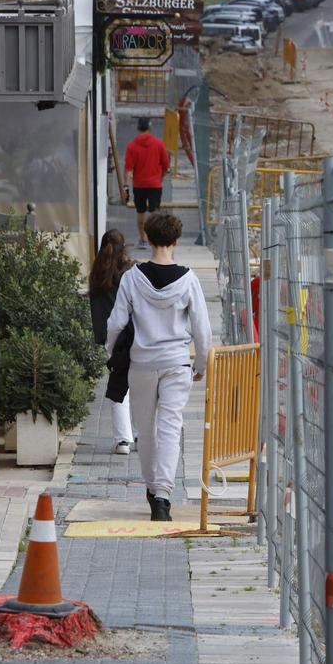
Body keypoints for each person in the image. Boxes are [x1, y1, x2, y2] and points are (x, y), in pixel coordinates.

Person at [106, 212, 212, 521]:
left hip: (141, 363)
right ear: (176, 240)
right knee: (170, 427)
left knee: (146, 430)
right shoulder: (189, 280)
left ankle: (153, 490)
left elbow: (115, 323)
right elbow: (202, 331)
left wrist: (112, 353)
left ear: (148, 239)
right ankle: (164, 495)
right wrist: (201, 363)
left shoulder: (132, 278)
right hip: (177, 363)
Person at [88, 230, 137, 455]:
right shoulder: (129, 271)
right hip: (135, 334)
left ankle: (123, 440)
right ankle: (143, 434)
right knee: (142, 386)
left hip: (112, 339)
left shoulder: (96, 273)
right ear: (123, 246)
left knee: (120, 387)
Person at [124, 117, 170, 250]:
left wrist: (125, 186)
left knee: (140, 212)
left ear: (138, 128)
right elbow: (166, 165)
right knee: (154, 213)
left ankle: (143, 239)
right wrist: (160, 178)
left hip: (139, 185)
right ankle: (155, 239)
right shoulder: (159, 144)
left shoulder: (131, 146)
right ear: (149, 128)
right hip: (155, 184)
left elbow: (128, 168)